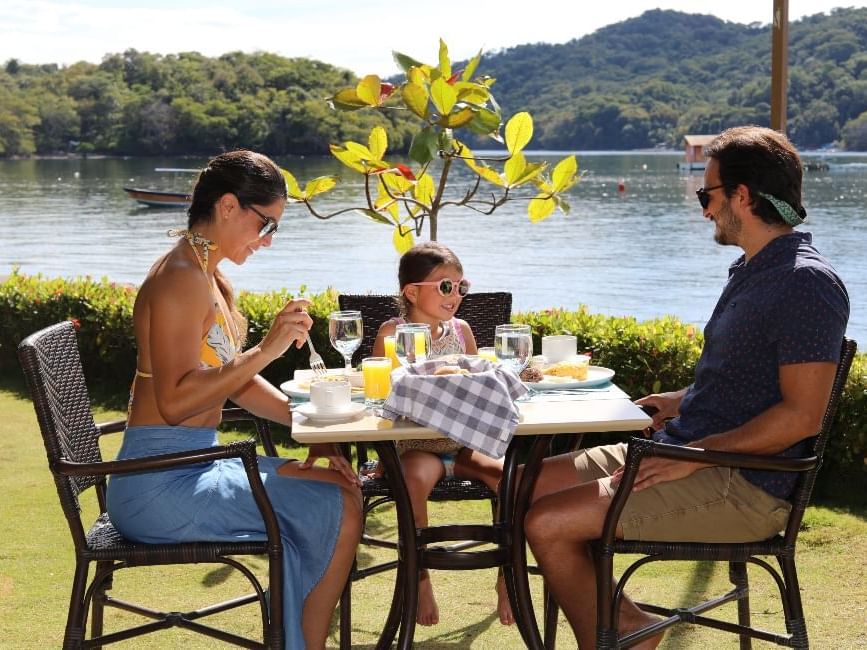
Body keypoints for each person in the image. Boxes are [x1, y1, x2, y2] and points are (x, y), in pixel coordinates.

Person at [523, 126, 850, 649]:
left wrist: (697, 454)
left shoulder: (804, 283)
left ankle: (621, 635)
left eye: (708, 195)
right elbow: (745, 379)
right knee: (526, 486)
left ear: (742, 196)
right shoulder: (753, 270)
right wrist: (679, 401)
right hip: (684, 451)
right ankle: (623, 623)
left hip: (743, 485)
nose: (703, 210)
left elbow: (800, 416)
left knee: (548, 522)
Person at [105, 150, 362, 650]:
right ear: (228, 206)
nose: (267, 241)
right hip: (157, 485)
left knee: (339, 488)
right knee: (340, 502)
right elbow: (177, 402)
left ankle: (294, 638)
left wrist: (306, 425)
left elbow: (232, 381)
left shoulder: (209, 275)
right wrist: (267, 349)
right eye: (266, 224)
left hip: (193, 465)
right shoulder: (180, 279)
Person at [370, 241, 514, 626]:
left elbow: (477, 386)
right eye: (445, 287)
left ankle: (508, 577)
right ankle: (420, 576)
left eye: (460, 286)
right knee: (413, 478)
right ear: (412, 291)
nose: (456, 295)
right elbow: (381, 398)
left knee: (512, 478)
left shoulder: (461, 331)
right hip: (418, 448)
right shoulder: (392, 333)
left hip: (464, 445)